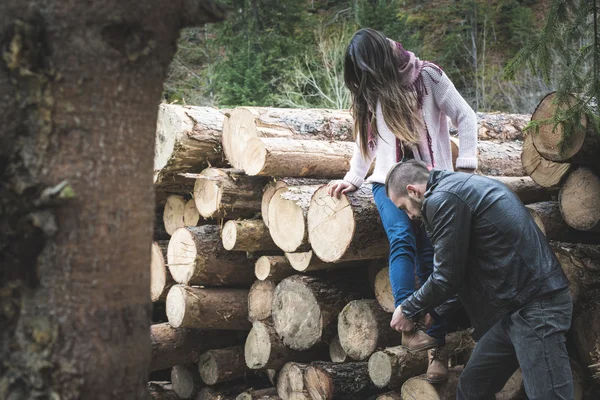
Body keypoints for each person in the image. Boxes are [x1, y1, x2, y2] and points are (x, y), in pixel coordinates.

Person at [326, 28, 478, 382]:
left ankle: (435, 351)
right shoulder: (370, 87)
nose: (362, 78)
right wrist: (354, 177)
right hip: (385, 182)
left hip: (431, 182)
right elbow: (366, 143)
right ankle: (408, 321)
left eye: (365, 69)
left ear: (380, 60)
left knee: (430, 256)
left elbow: (466, 117)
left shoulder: (429, 77)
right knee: (401, 238)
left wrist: (466, 166)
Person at [385, 160, 573, 400]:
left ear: (413, 191)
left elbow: (446, 277)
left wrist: (408, 309)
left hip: (536, 307)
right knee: (473, 389)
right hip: (511, 309)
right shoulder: (454, 190)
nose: (409, 216)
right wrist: (437, 311)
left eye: (403, 208)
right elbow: (462, 270)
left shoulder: (442, 199)